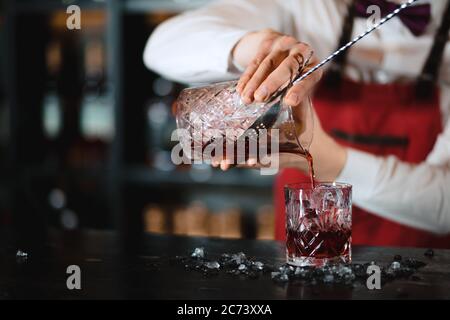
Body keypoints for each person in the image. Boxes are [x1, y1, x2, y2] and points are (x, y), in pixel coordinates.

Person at [143, 0, 450, 248]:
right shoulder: (307, 7)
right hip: (305, 244)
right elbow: (161, 45)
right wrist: (255, 47)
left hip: (423, 262)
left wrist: (330, 161)